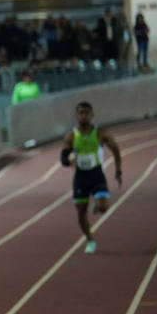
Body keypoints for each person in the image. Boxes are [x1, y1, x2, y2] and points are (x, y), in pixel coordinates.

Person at [59, 101, 123, 254]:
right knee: (81, 212)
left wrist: (118, 170)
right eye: (80, 113)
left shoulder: (100, 133)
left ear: (92, 115)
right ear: (76, 115)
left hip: (96, 175)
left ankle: (98, 202)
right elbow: (63, 159)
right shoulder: (71, 136)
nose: (83, 116)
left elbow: (115, 149)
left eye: (86, 112)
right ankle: (90, 240)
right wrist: (69, 160)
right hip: (80, 178)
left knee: (103, 207)